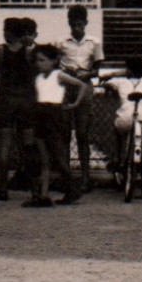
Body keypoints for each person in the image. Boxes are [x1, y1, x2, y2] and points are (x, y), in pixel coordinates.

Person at [24, 43, 91, 207]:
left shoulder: (58, 75)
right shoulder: (38, 78)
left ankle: (72, 189)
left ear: (54, 61)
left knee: (58, 157)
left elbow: (82, 85)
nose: (39, 63)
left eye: (43, 60)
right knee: (43, 158)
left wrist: (75, 104)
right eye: (37, 60)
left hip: (54, 117)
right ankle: (43, 195)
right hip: (40, 115)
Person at [0, 17, 38, 201]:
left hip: (6, 101)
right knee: (29, 145)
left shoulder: (0, 52)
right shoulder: (28, 52)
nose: (3, 32)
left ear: (10, 32)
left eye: (5, 29)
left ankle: (2, 188)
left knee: (5, 146)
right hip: (26, 101)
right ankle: (35, 189)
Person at [57, 5, 104, 192]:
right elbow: (55, 65)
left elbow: (97, 69)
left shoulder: (94, 42)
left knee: (83, 133)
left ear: (85, 24)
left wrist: (87, 74)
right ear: (69, 24)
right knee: (65, 134)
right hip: (66, 88)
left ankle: (85, 177)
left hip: (84, 87)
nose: (77, 28)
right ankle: (66, 176)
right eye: (73, 24)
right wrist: (64, 71)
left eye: (80, 24)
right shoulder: (61, 42)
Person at [101, 57, 142, 199]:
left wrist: (111, 77)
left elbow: (106, 82)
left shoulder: (120, 82)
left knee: (119, 133)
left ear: (128, 70)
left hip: (124, 118)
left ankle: (118, 159)